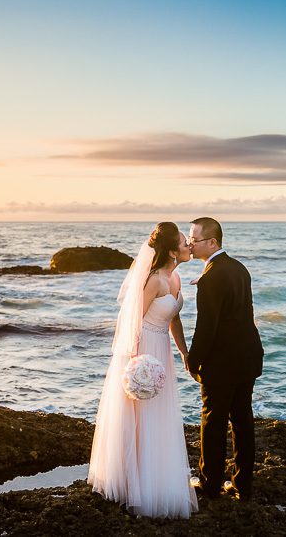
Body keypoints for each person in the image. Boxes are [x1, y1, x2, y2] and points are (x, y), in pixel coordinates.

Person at [88, 222, 199, 518]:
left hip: (163, 349)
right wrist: (135, 364)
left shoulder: (174, 278)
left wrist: (184, 351)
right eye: (184, 242)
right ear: (173, 251)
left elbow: (173, 319)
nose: (190, 245)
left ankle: (158, 477)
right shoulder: (153, 281)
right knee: (140, 418)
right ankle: (135, 487)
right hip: (144, 353)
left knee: (160, 417)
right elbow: (132, 322)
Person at [185, 217, 264, 501]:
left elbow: (206, 328)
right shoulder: (238, 268)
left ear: (212, 242)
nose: (190, 244)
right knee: (243, 421)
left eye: (195, 239)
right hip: (248, 357)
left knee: (213, 423)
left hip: (221, 364)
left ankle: (210, 484)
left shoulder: (211, 278)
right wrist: (203, 284)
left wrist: (193, 362)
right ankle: (242, 485)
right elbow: (238, 311)